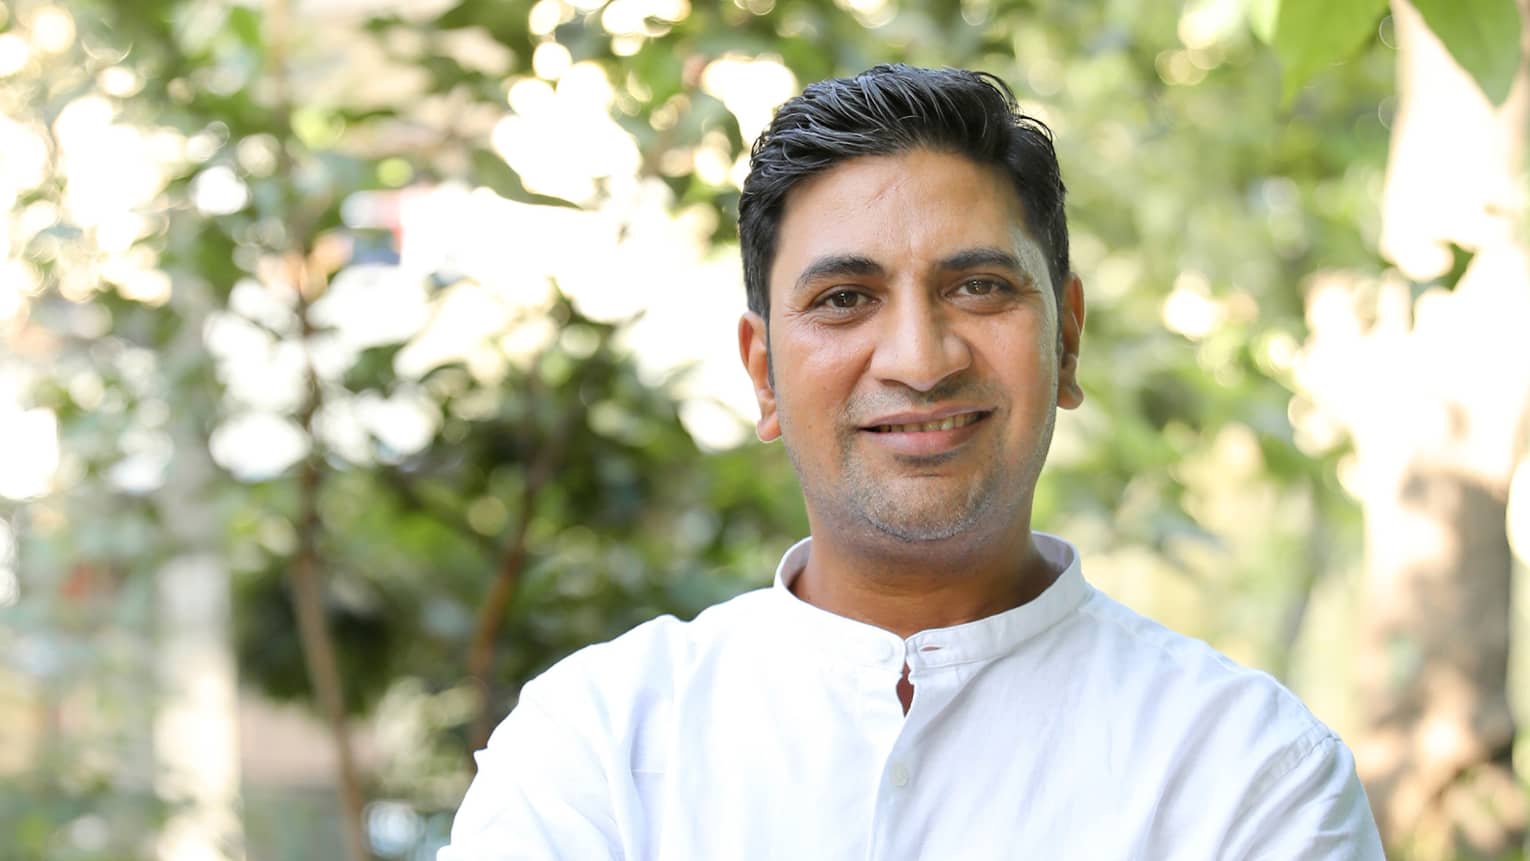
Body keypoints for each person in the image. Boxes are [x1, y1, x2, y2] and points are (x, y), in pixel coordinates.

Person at [440, 64, 1384, 859]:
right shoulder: (595, 749)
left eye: (978, 287)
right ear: (764, 373)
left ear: (1068, 341)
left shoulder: (1249, 773)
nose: (920, 360)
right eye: (846, 297)